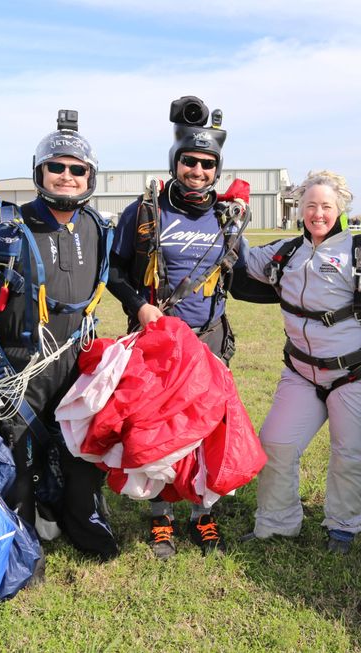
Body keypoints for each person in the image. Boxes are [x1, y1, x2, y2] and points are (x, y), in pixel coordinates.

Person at [0, 110, 119, 566]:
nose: (66, 176)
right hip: (17, 367)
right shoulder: (4, 230)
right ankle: (20, 547)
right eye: (56, 166)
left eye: (77, 169)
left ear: (90, 177)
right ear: (39, 172)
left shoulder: (99, 229)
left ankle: (81, 524)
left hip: (78, 361)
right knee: (17, 462)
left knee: (81, 454)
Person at [238, 170, 361, 554]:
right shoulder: (285, 252)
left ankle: (343, 527)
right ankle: (276, 523)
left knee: (350, 456)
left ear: (341, 207)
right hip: (301, 374)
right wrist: (226, 217)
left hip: (356, 376)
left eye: (326, 206)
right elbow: (237, 257)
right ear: (299, 209)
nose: (318, 214)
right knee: (275, 442)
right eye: (310, 206)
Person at [106, 95, 243, 558]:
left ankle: (202, 513)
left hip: (208, 342)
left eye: (207, 163)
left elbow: (244, 273)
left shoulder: (225, 215)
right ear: (175, 162)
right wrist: (139, 307)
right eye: (190, 161)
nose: (197, 171)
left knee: (205, 429)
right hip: (157, 343)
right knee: (159, 428)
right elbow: (114, 272)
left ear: (216, 169)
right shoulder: (145, 212)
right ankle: (161, 515)